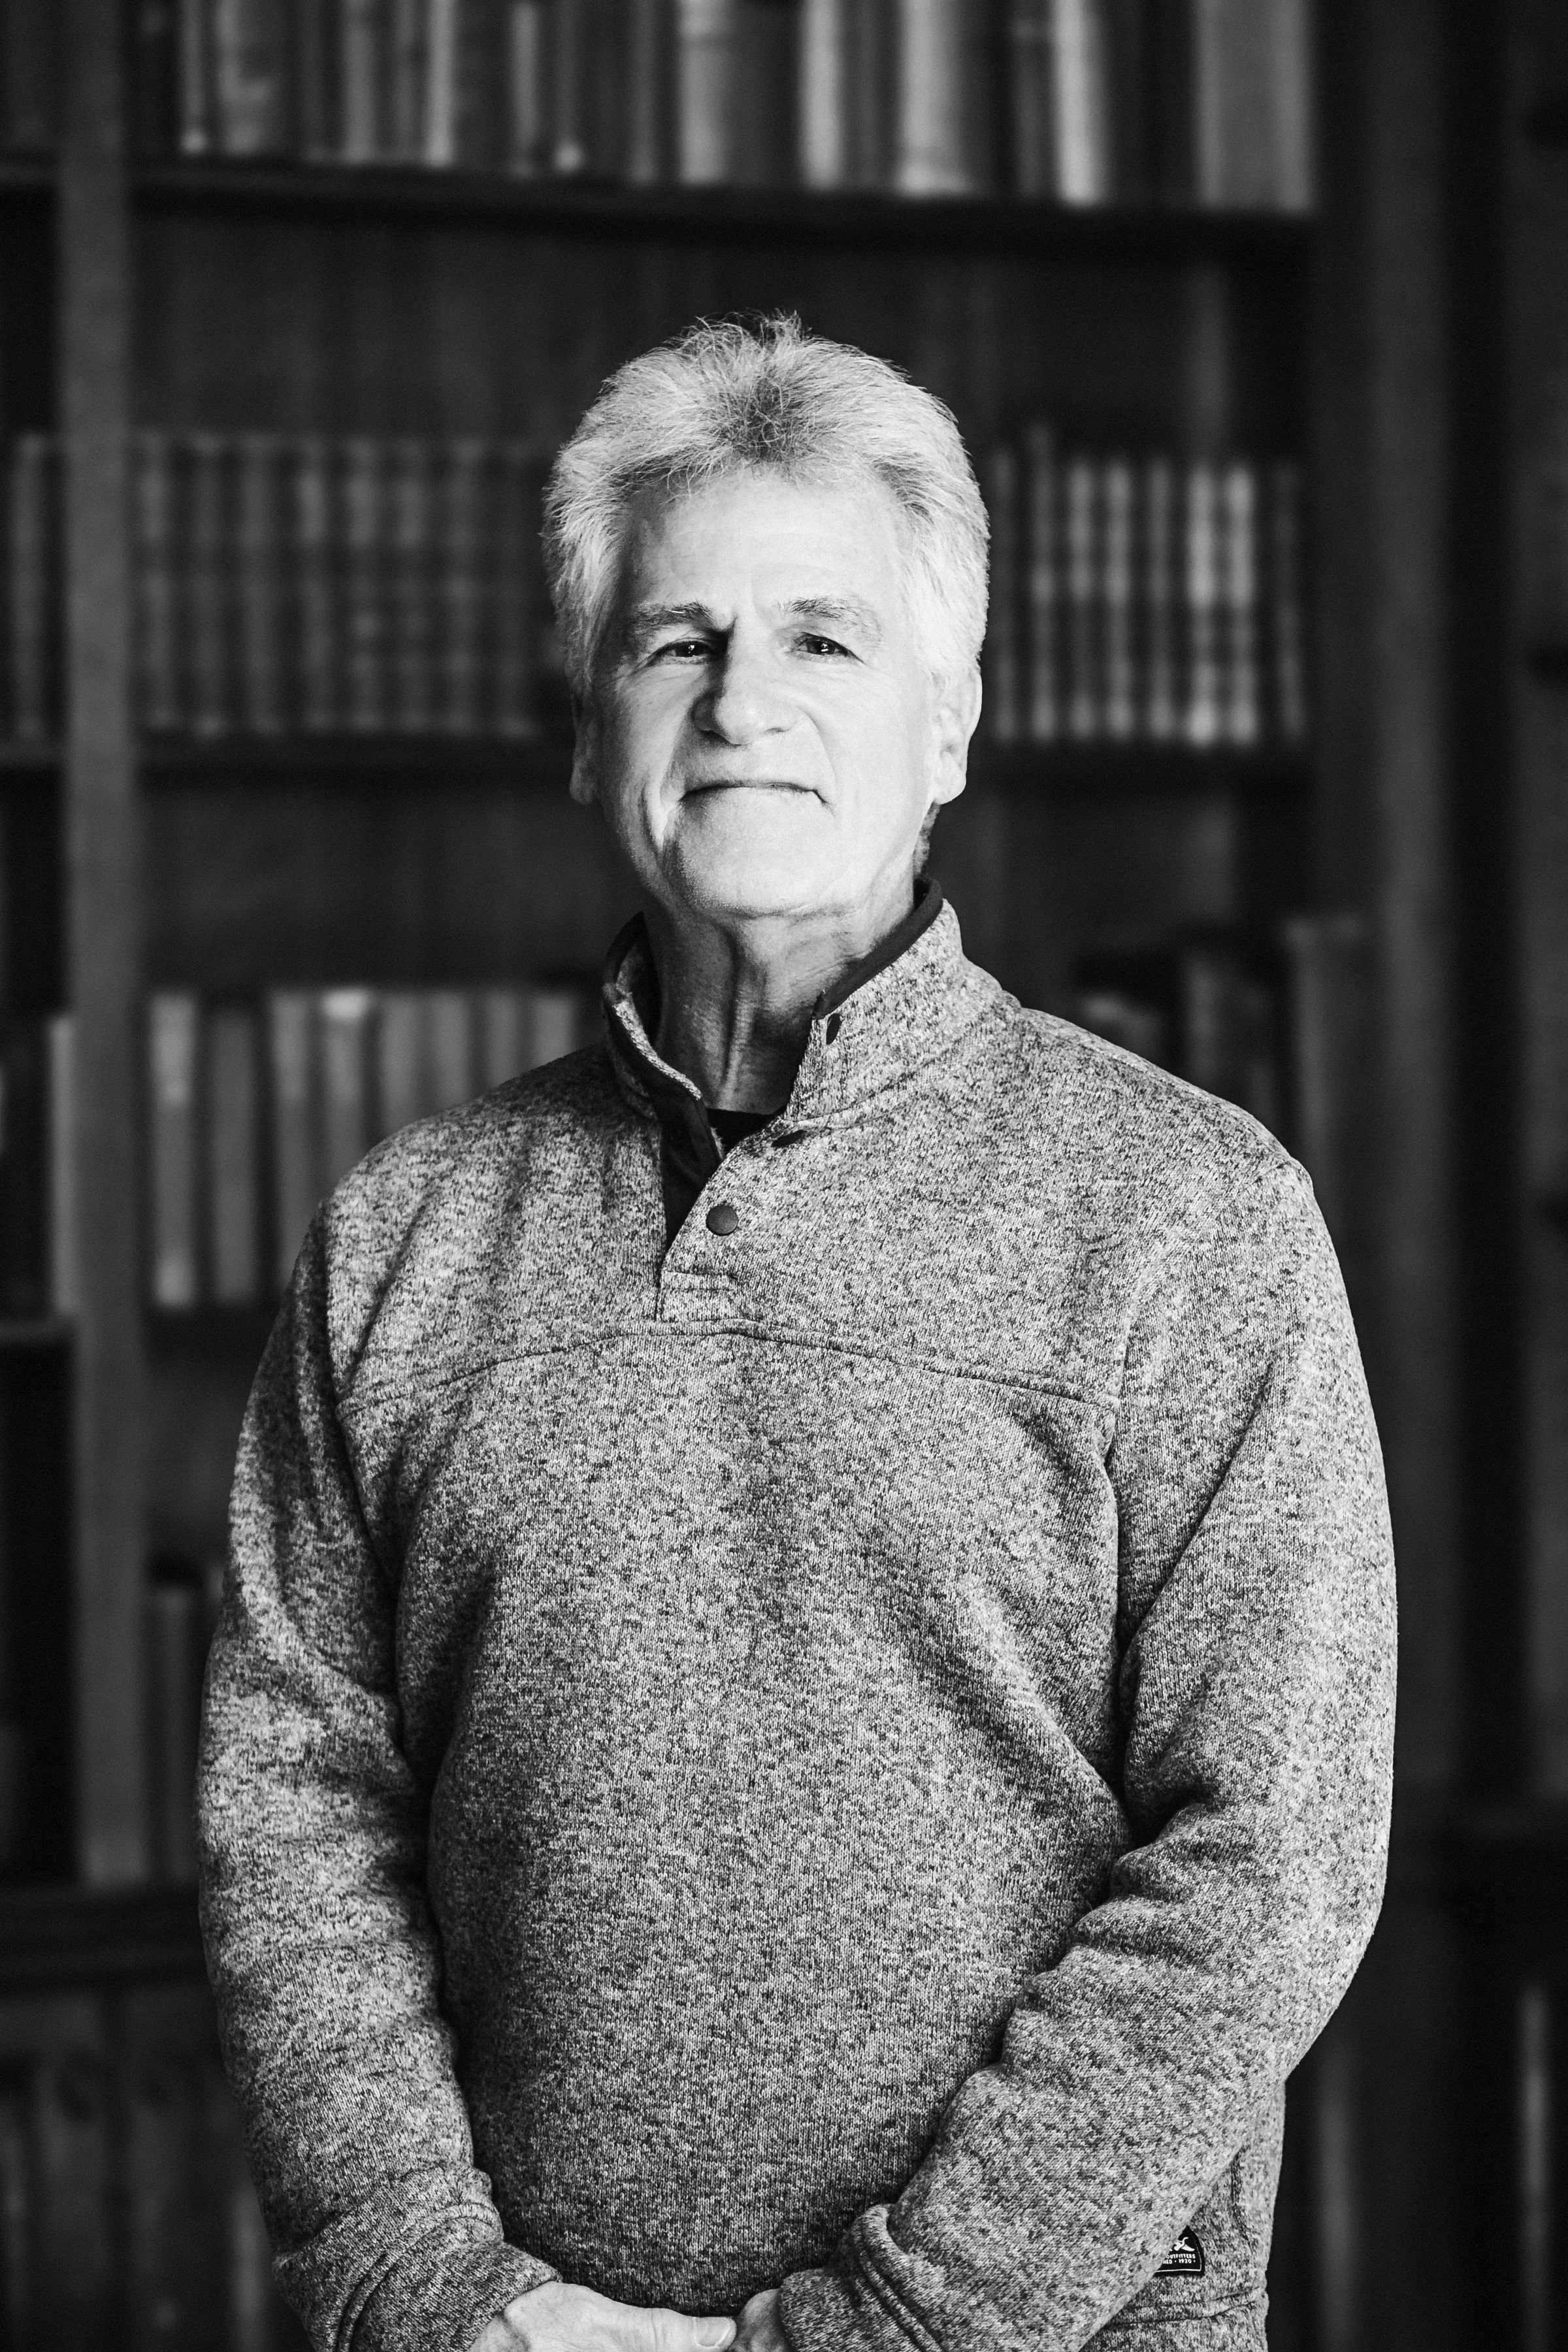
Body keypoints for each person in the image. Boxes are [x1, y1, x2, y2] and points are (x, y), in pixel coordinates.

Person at [197, 314, 1397, 2352]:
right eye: (679, 642)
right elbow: (292, 1808)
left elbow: (1271, 1862)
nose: (746, 701)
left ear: (950, 722)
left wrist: (881, 2334)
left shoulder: (1195, 1215)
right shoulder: (403, 1234)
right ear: (592, 729)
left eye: (827, 639)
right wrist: (444, 2299)